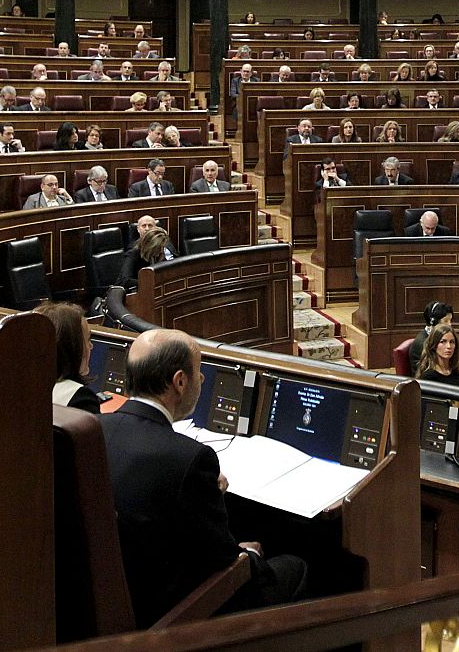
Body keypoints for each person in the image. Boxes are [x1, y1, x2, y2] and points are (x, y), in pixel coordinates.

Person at [98, 329, 308, 626]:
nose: (203, 380)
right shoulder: (189, 457)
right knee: (295, 567)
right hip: (170, 613)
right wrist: (247, 557)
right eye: (199, 372)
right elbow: (220, 560)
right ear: (180, 382)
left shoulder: (94, 428)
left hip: (116, 596)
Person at [38, 300, 99, 413]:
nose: (90, 346)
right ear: (71, 347)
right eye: (88, 339)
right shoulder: (81, 399)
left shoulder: (21, 387)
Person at [118, 224, 176, 290]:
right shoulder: (133, 254)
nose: (161, 250)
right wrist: (150, 282)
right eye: (158, 248)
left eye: (162, 247)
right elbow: (125, 281)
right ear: (150, 246)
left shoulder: (157, 255)